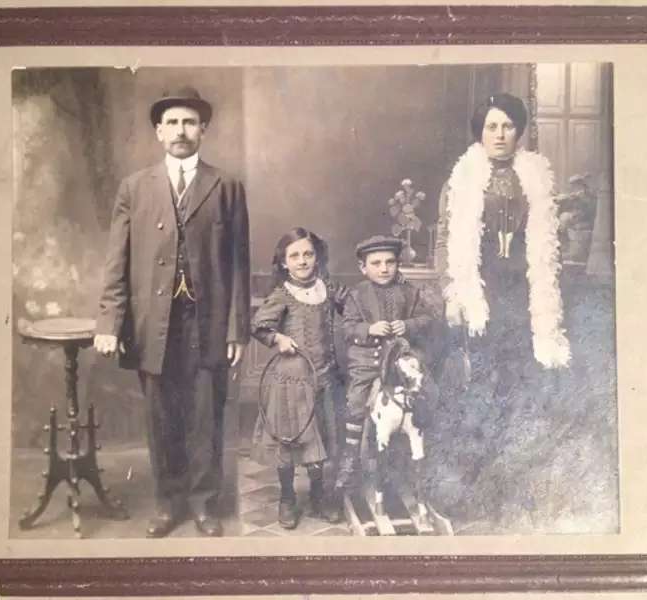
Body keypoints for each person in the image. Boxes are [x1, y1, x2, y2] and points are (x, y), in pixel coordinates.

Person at [94, 86, 250, 538]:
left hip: (208, 323)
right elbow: (116, 261)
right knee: (161, 417)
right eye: (173, 123)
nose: (181, 131)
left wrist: (236, 329)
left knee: (205, 416)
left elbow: (239, 263)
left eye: (189, 122)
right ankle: (168, 503)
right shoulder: (134, 188)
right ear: (158, 132)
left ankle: (204, 504)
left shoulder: (227, 187)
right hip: (152, 324)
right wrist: (110, 322)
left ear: (202, 130)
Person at [428, 92, 570, 524]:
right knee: (477, 391)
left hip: (521, 300)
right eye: (491, 126)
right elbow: (444, 243)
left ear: (519, 130)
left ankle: (513, 484)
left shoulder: (536, 178)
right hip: (479, 295)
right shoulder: (461, 179)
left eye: (507, 125)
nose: (500, 134)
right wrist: (453, 294)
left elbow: (546, 246)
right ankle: (469, 488)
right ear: (480, 132)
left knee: (521, 390)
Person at [251, 228, 347, 528]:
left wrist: (345, 306)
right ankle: (288, 497)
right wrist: (278, 338)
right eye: (294, 256)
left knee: (322, 440)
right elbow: (259, 326)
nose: (302, 261)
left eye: (308, 254)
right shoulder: (282, 295)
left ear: (316, 257)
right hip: (292, 381)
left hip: (326, 376)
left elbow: (346, 316)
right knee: (291, 442)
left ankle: (318, 494)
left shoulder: (328, 289)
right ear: (283, 263)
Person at [335, 235, 436, 491]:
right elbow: (347, 328)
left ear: (397, 264)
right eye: (376, 263)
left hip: (401, 360)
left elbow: (427, 318)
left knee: (421, 393)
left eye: (390, 262)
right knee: (356, 400)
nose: (383, 268)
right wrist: (369, 328)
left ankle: (415, 454)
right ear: (363, 267)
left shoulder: (410, 292)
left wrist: (409, 325)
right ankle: (350, 458)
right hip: (368, 361)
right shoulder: (356, 295)